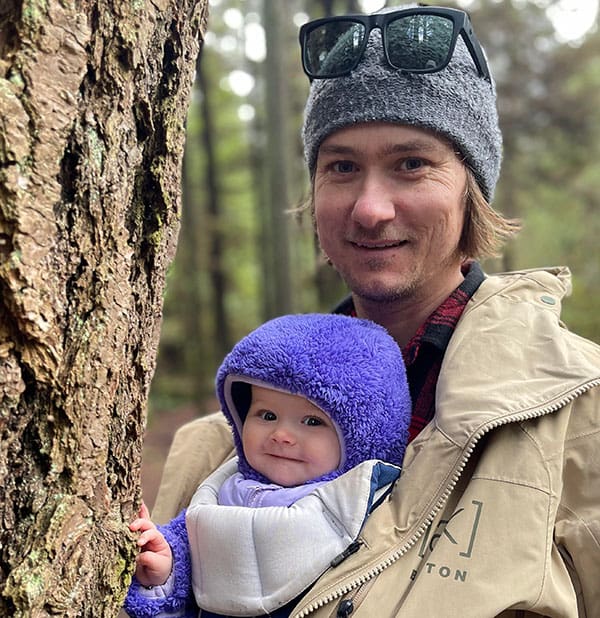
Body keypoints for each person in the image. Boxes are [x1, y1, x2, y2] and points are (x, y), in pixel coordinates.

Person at [150, 4, 600, 617]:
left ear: (471, 192)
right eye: (341, 167)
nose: (369, 208)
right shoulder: (215, 446)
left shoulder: (577, 411)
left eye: (411, 164)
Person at [124, 313, 411, 618]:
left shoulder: (362, 515)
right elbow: (185, 559)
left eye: (312, 421)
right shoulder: (222, 491)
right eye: (267, 415)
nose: (282, 435)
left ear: (360, 438)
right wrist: (164, 570)